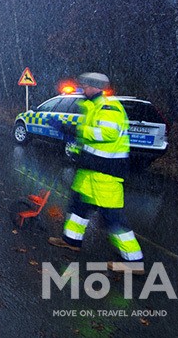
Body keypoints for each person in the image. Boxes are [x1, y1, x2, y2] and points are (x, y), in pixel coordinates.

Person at [47, 72, 144, 274]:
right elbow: (87, 137)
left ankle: (133, 262)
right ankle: (71, 240)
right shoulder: (91, 107)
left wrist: (74, 131)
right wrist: (73, 142)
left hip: (105, 174)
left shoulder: (109, 107)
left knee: (113, 219)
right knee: (77, 208)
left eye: (85, 86)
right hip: (89, 171)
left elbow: (107, 133)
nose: (82, 88)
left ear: (96, 88)